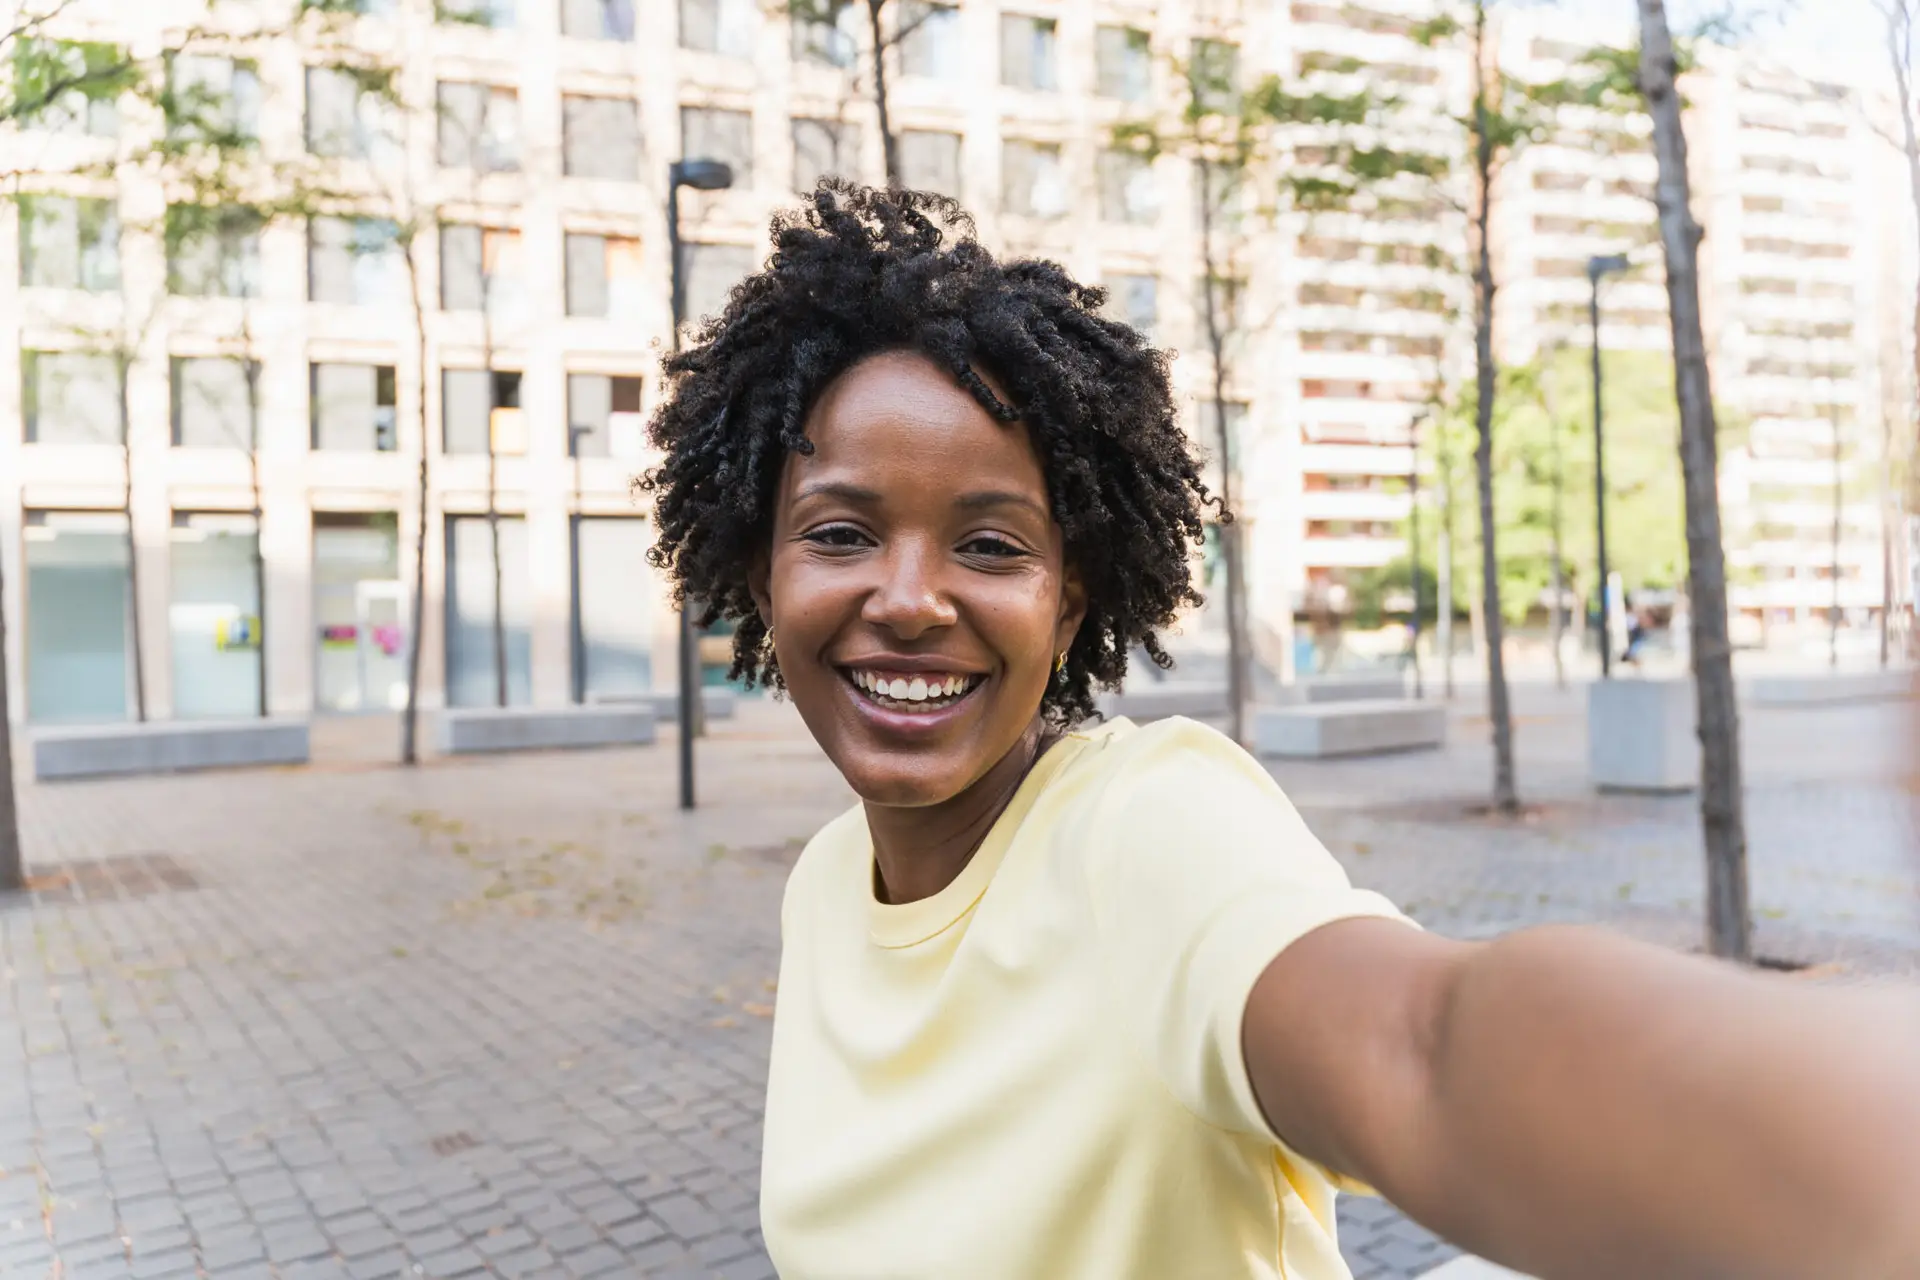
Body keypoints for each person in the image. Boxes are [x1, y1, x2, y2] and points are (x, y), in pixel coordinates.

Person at [643, 185, 1920, 1280]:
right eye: (841, 530)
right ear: (760, 575)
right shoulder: (824, 889)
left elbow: (1428, 1049)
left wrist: (1852, 1139)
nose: (912, 598)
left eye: (990, 544)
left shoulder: (1139, 829)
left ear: (1067, 599)